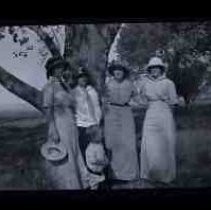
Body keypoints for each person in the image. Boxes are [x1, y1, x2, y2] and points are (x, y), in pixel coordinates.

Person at [42, 56, 89, 189]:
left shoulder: (65, 86)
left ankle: (78, 182)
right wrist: (53, 129)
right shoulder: (49, 87)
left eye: (61, 68)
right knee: (63, 152)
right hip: (59, 123)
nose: (60, 71)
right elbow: (48, 109)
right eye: (57, 68)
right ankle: (64, 184)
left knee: (73, 151)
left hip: (70, 123)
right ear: (51, 71)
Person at [139, 57, 178, 187]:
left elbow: (174, 101)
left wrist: (166, 104)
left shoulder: (169, 83)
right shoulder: (146, 83)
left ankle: (165, 175)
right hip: (150, 112)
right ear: (149, 70)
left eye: (157, 67)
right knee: (150, 143)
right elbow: (142, 99)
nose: (154, 70)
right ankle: (150, 174)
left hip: (164, 113)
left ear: (161, 69)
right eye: (152, 68)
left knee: (166, 142)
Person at [104, 64, 139, 183]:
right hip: (111, 112)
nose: (118, 72)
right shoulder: (108, 84)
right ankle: (114, 174)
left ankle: (128, 174)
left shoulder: (129, 84)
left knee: (128, 142)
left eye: (120, 70)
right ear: (112, 72)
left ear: (124, 72)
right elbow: (103, 99)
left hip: (125, 111)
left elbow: (137, 97)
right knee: (113, 142)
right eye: (115, 70)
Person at [74, 69, 102, 163]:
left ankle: (96, 170)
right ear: (77, 79)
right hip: (80, 124)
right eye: (81, 77)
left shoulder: (92, 91)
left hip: (93, 124)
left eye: (85, 77)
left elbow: (97, 107)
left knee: (95, 149)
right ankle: (84, 171)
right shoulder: (74, 92)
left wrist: (97, 123)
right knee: (82, 148)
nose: (83, 79)